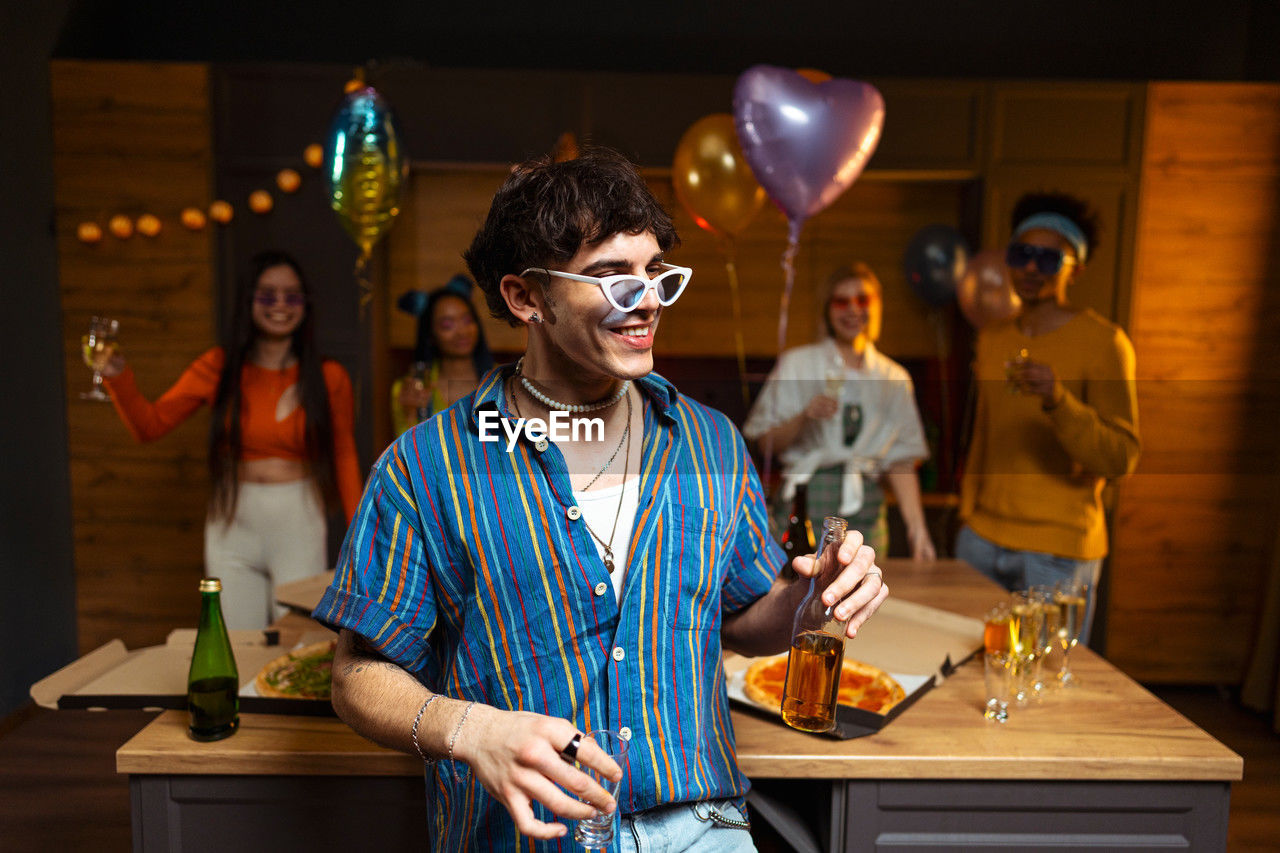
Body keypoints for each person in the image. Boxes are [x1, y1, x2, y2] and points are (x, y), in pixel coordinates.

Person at [312, 149, 889, 851]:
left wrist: (810, 600)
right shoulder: (424, 467)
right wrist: (473, 729)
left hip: (702, 826)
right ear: (527, 297)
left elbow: (741, 618)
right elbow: (356, 673)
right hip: (526, 836)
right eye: (613, 278)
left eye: (653, 273)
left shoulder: (709, 444)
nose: (646, 299)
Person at [99, 250, 363, 630]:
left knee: (297, 641)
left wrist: (359, 536)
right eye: (267, 295)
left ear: (305, 304)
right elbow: (149, 427)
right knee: (237, 640)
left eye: (292, 296)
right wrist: (117, 376)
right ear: (249, 300)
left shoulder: (329, 376)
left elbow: (344, 454)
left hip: (299, 517)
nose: (280, 306)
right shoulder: (217, 367)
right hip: (233, 517)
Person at [956, 193, 1140, 644]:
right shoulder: (993, 338)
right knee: (966, 678)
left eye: (1049, 259)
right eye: (1022, 254)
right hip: (981, 539)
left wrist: (1059, 400)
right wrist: (967, 515)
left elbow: (1121, 457)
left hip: (1058, 551)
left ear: (1074, 269)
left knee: (1044, 686)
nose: (1032, 269)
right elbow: (985, 433)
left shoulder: (1105, 342)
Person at [743, 263, 936, 560]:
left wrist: (917, 530)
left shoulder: (894, 378)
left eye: (862, 300)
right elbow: (763, 444)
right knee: (796, 592)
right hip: (805, 497)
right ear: (827, 310)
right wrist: (804, 416)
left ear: (876, 307)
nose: (852, 309)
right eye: (841, 301)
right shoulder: (798, 364)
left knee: (863, 594)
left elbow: (902, 462)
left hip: (866, 503)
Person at [390, 274, 495, 438]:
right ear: (430, 335)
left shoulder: (502, 383)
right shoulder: (411, 389)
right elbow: (406, 457)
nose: (462, 332)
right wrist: (410, 413)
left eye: (467, 320)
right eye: (448, 325)